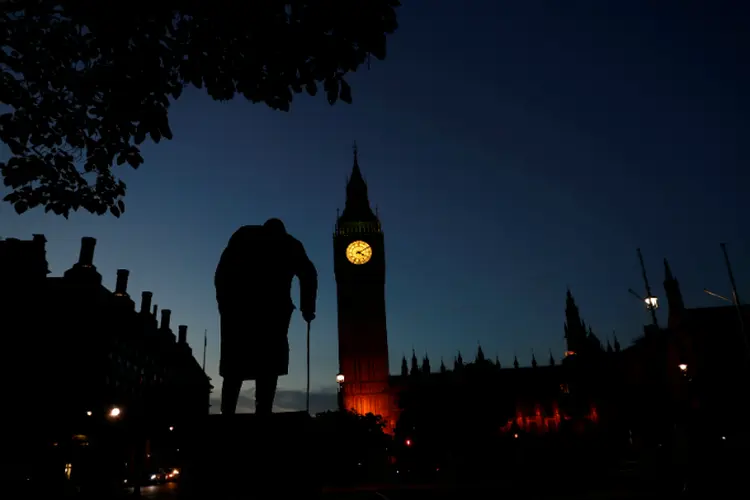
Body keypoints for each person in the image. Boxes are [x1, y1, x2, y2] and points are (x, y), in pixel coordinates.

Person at [215, 218, 318, 415]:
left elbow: (221, 274)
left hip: (241, 311)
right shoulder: (289, 244)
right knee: (266, 363)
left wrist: (225, 304)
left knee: (238, 363)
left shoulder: (244, 236)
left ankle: (229, 413)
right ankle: (261, 412)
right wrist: (307, 308)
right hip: (264, 311)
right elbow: (308, 273)